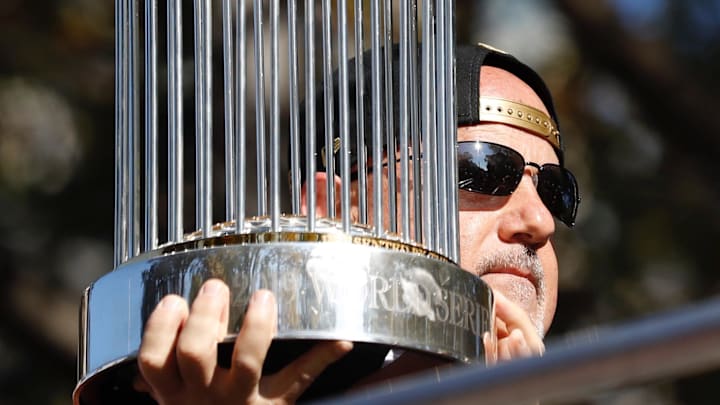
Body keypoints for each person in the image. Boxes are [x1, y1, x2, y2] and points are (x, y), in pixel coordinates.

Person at [133, 42, 580, 404]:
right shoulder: (214, 382)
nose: (540, 222)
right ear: (333, 210)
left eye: (554, 190)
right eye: (481, 169)